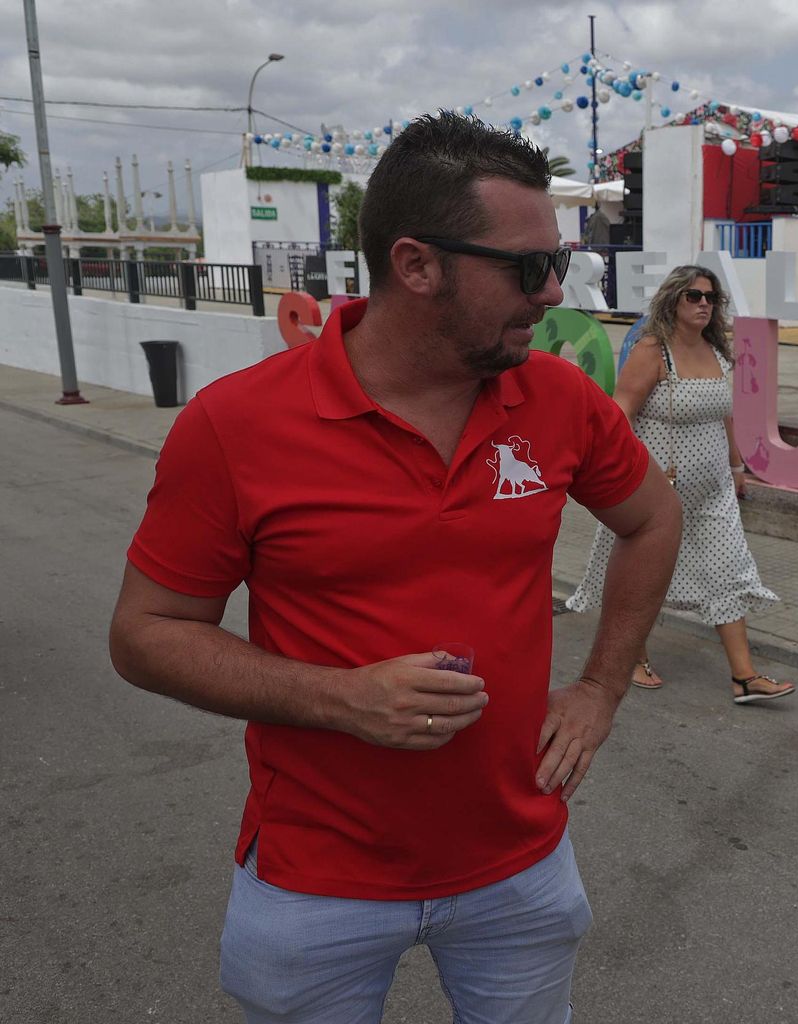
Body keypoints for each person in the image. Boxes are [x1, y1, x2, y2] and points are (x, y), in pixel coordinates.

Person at [108, 113, 682, 1023]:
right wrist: (340, 698)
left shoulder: (559, 397)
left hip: (521, 867)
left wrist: (602, 687)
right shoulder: (236, 425)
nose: (552, 291)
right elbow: (145, 635)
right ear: (417, 265)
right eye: (529, 268)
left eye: (558, 261)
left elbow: (654, 516)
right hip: (316, 882)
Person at [565, 265, 794, 705]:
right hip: (653, 492)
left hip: (713, 491)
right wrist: (615, 474)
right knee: (639, 572)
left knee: (731, 568)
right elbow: (622, 410)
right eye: (693, 295)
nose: (703, 303)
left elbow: (725, 415)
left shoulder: (716, 350)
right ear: (673, 300)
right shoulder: (654, 350)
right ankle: (633, 656)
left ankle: (743, 676)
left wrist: (736, 465)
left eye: (710, 296)